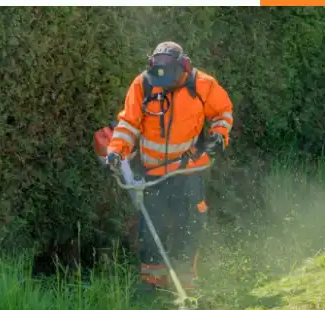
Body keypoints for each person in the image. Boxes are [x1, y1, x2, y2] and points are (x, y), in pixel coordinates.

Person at [94, 41, 233, 293]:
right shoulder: (144, 84)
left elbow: (223, 112)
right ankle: (152, 283)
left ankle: (184, 280)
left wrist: (219, 135)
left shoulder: (203, 84)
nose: (165, 84)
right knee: (151, 228)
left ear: (184, 67)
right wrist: (115, 152)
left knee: (189, 224)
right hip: (154, 173)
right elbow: (128, 124)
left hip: (189, 169)